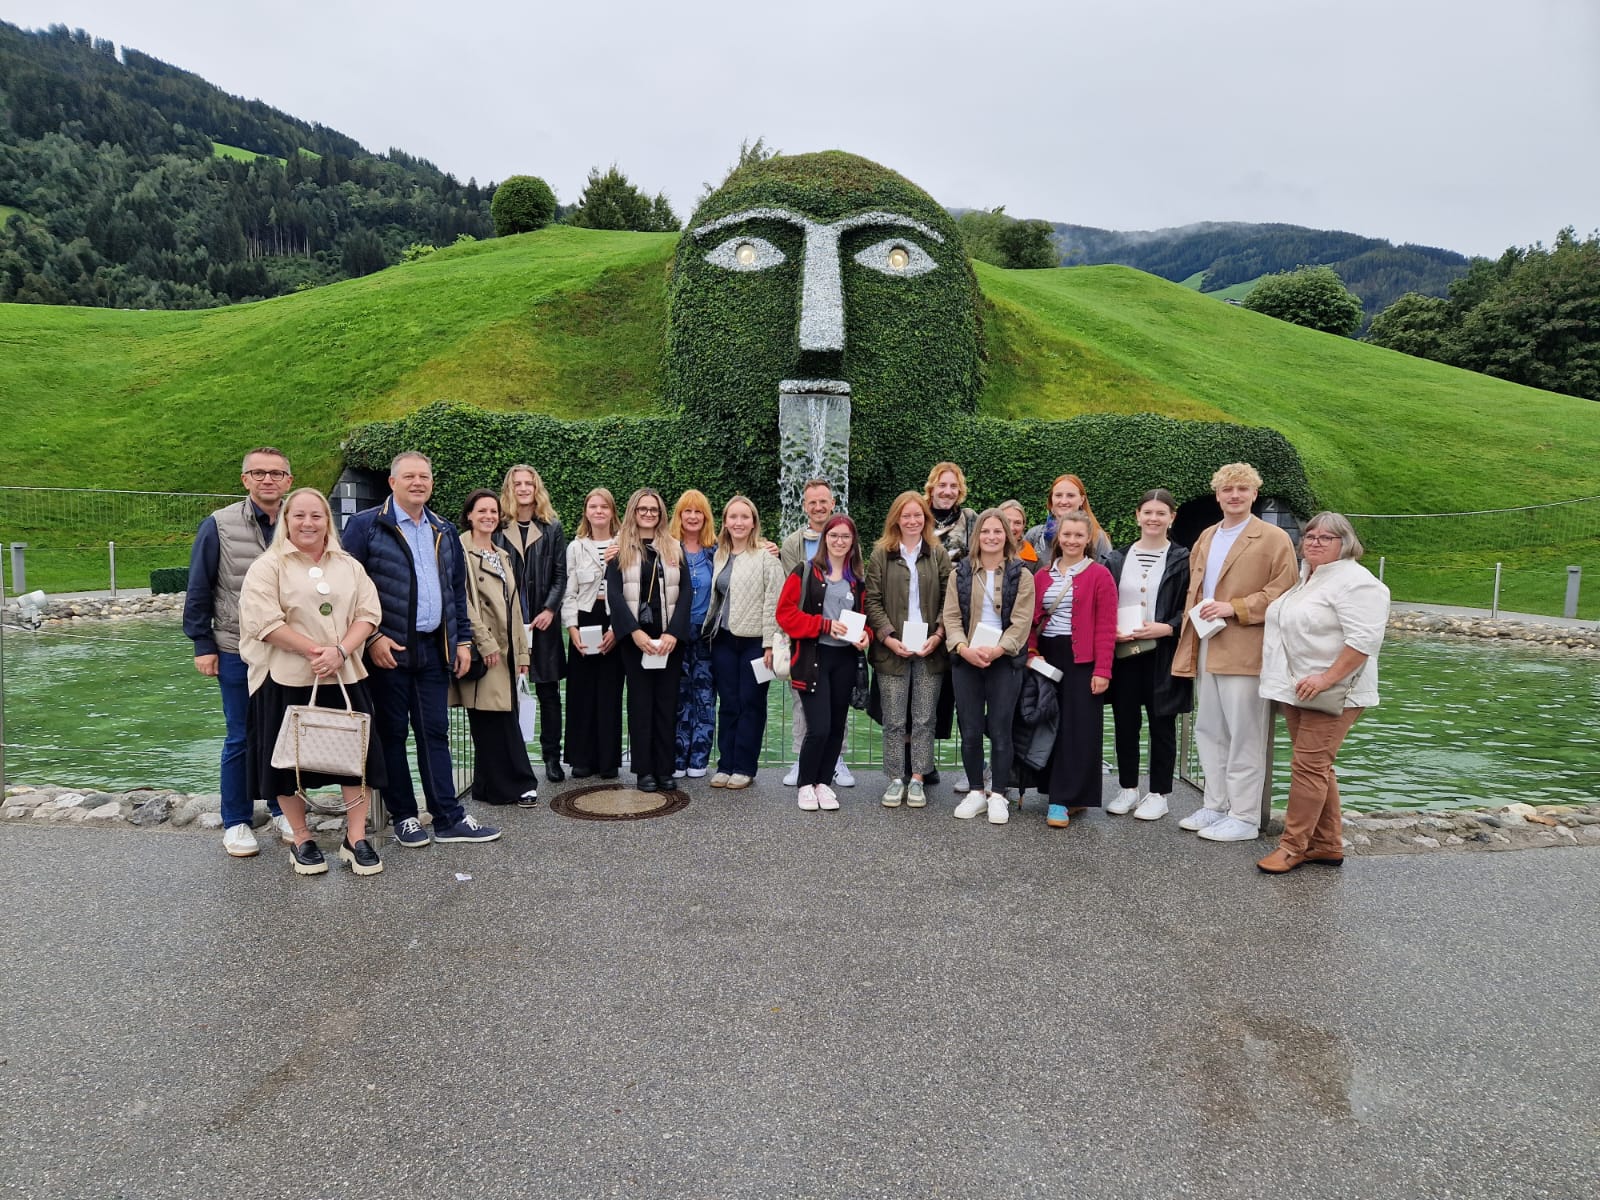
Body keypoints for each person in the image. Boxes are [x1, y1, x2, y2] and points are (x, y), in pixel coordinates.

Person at [343, 452, 502, 847]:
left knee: (435, 732)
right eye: (409, 476)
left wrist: (462, 640)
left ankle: (448, 817)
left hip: (434, 649)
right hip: (388, 649)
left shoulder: (443, 529)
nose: (418, 482)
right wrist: (373, 638)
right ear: (393, 483)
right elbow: (349, 591)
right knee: (393, 734)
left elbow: (455, 592)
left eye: (425, 477)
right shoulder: (366, 526)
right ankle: (405, 817)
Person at [238, 487, 387, 876]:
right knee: (287, 765)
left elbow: (368, 612)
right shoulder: (267, 566)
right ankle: (302, 839)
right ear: (286, 520)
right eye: (299, 515)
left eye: (316, 516)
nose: (308, 523)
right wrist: (314, 651)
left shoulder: (349, 565)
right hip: (285, 678)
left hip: (344, 674)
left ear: (328, 521)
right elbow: (263, 621)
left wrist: (340, 650)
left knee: (356, 761)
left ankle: (356, 839)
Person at [1171, 462, 1298, 842]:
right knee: (1209, 728)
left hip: (1245, 646)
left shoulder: (1274, 538)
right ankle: (1216, 804)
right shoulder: (1207, 536)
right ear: (1218, 495)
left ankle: (1244, 816)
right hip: (1206, 641)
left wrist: (1235, 607)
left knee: (1245, 732)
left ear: (1254, 494)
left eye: (1242, 489)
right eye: (1228, 489)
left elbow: (1283, 590)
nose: (1235, 495)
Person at [1256, 513, 1390, 873]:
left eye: (1326, 537)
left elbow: (1364, 640)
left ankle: (1293, 847)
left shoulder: (1357, 582)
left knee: (1309, 766)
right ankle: (1327, 844)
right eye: (1310, 535)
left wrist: (1327, 678)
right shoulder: (1308, 578)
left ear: (1345, 543)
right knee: (1316, 766)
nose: (1315, 542)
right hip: (1300, 687)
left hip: (1333, 691)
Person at [184, 447, 293, 857]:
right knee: (240, 735)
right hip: (235, 648)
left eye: (276, 473)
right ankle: (237, 820)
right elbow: (199, 587)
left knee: (286, 732)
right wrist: (201, 643)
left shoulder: (298, 520)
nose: (268, 480)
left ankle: (284, 808)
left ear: (289, 480)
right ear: (245, 479)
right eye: (259, 473)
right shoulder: (219, 525)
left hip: (289, 650)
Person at [1104, 489, 1193, 822]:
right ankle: (1128, 787)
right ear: (1137, 516)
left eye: (1161, 513)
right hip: (1125, 651)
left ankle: (1159, 793)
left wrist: (1168, 628)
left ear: (1172, 517)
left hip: (1164, 652)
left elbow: (1192, 607)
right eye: (1148, 512)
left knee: (1162, 724)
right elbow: (1105, 602)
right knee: (1125, 723)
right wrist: (1109, 629)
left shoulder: (1183, 559)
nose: (1153, 519)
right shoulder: (1116, 558)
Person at [944, 509, 1035, 825]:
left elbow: (1022, 622)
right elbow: (951, 617)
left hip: (1003, 660)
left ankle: (998, 795)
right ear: (976, 536)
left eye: (998, 531)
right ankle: (975, 791)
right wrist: (962, 648)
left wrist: (997, 650)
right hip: (967, 659)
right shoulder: (962, 573)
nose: (992, 537)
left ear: (1007, 537)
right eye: (985, 531)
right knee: (969, 730)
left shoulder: (1021, 574)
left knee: (1000, 729)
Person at [777, 514, 872, 812]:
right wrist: (823, 625)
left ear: (853, 541)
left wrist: (865, 637)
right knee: (818, 728)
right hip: (813, 658)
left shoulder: (857, 581)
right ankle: (806, 783)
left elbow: (866, 621)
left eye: (845, 537)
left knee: (836, 728)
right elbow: (785, 614)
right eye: (834, 536)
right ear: (825, 539)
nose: (839, 541)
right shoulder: (805, 571)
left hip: (845, 660)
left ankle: (824, 784)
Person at [1028, 511, 1117, 829]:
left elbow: (1107, 626)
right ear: (1057, 537)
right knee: (1048, 724)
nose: (1072, 541)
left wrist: (1103, 669)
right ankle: (1057, 790)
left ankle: (1061, 800)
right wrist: (1031, 651)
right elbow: (1032, 621)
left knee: (1079, 730)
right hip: (1048, 656)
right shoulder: (1042, 576)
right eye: (1067, 535)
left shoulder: (1100, 575)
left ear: (1088, 539)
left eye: (1079, 536)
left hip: (1083, 658)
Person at [454, 490, 540, 808]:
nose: (489, 515)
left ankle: (488, 787)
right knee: (492, 718)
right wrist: (484, 641)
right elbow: (461, 601)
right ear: (470, 516)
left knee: (503, 714)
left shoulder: (501, 554)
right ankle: (520, 783)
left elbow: (515, 608)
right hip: (485, 648)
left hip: (506, 649)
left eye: (493, 511)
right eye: (482, 511)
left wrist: (523, 654)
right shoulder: (461, 551)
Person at [865, 491, 950, 808]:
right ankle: (895, 778)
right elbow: (872, 600)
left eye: (918, 515)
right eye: (906, 515)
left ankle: (918, 779)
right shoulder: (881, 554)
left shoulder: (937, 553)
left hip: (930, 650)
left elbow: (948, 599)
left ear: (925, 520)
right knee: (894, 720)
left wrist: (939, 635)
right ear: (896, 519)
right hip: (892, 650)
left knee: (925, 718)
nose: (912, 520)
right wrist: (887, 637)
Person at [606, 487, 691, 793]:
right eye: (642, 509)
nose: (648, 514)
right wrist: (634, 632)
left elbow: (686, 594)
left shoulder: (673, 547)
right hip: (635, 640)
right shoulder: (619, 548)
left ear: (661, 513)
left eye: (653, 510)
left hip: (669, 640)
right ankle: (644, 770)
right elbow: (614, 595)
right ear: (633, 511)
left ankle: (665, 768)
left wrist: (673, 634)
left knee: (667, 705)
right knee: (641, 705)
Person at [778, 479, 855, 790]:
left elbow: (864, 606)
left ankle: (834, 761)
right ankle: (803, 759)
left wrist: (866, 636)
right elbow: (788, 601)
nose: (818, 507)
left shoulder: (854, 563)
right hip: (809, 645)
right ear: (804, 506)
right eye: (812, 502)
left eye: (824, 501)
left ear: (833, 503)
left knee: (837, 712)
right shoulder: (792, 547)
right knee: (805, 706)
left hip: (844, 651)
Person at [704, 495, 785, 790]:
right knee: (728, 703)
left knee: (751, 704)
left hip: (754, 643)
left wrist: (769, 644)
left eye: (744, 517)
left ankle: (744, 766)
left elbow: (774, 602)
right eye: (733, 517)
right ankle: (725, 764)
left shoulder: (766, 557)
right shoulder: (719, 554)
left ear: (753, 522)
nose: (738, 522)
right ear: (725, 521)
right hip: (723, 640)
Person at [496, 464, 567, 782]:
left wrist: (551, 609)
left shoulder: (551, 526)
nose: (523, 488)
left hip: (543, 623)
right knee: (510, 692)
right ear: (509, 489)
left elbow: (560, 574)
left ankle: (552, 757)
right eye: (517, 484)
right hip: (509, 624)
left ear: (536, 488)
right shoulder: (498, 526)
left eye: (529, 483)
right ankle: (516, 759)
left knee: (549, 692)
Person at [562, 487, 625, 780]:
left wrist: (617, 629)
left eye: (604, 507)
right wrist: (571, 628)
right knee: (581, 691)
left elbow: (628, 591)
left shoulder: (625, 544)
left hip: (615, 619)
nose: (598, 511)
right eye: (593, 507)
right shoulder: (576, 547)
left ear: (612, 512)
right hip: (585, 618)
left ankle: (608, 760)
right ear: (586, 512)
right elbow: (570, 592)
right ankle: (582, 758)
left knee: (610, 692)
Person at [669, 489, 718, 779]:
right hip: (676, 632)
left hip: (707, 634)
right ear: (679, 516)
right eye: (687, 511)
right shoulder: (668, 548)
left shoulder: (716, 550)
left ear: (705, 517)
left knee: (705, 696)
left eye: (698, 511)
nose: (692, 516)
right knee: (677, 696)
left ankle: (699, 758)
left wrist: (767, 546)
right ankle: (676, 756)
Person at [1024, 474, 1112, 564]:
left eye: (1070, 495)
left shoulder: (1097, 537)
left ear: (1082, 500)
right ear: (1051, 500)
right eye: (1058, 495)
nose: (1064, 501)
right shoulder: (1035, 536)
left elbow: (1107, 574)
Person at [998, 500, 1038, 565]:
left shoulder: (1031, 560)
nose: (1011, 528)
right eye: (1006, 521)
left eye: (1017, 523)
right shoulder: (981, 553)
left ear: (1023, 526)